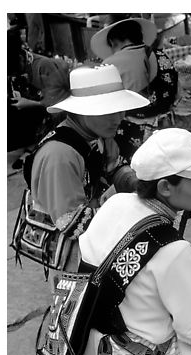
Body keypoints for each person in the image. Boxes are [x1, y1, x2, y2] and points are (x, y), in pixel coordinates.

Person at [76, 128, 191, 355]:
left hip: (91, 344)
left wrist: (175, 250)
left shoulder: (115, 203)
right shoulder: (171, 251)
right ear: (165, 187)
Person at [29, 64, 149, 273]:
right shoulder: (60, 156)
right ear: (82, 111)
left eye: (120, 109)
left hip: (94, 229)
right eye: (109, 112)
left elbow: (114, 166)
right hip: (72, 253)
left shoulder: (99, 135)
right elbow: (73, 224)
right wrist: (133, 213)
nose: (119, 118)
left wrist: (138, 183)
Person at [91, 17, 178, 161]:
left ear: (114, 42)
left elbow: (105, 107)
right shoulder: (162, 55)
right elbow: (177, 92)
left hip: (133, 135)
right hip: (167, 128)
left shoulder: (110, 64)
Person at [7, 31, 71, 163]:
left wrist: (29, 103)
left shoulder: (43, 66)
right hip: (34, 105)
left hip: (54, 111)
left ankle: (36, 146)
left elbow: (59, 101)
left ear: (20, 57)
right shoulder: (18, 63)